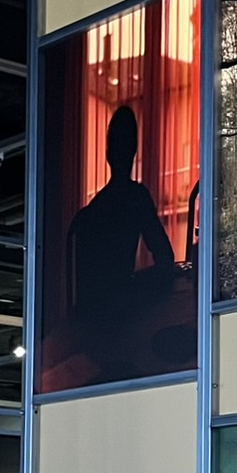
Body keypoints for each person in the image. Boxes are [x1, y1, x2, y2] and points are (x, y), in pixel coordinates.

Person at [70, 104, 176, 315]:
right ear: (133, 152)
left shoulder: (88, 214)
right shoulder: (136, 198)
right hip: (118, 311)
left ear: (108, 155)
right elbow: (164, 256)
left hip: (93, 312)